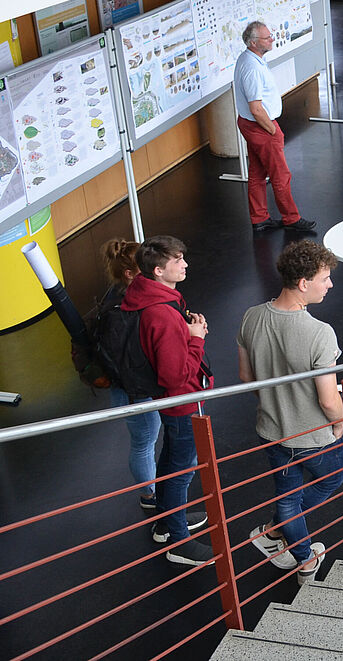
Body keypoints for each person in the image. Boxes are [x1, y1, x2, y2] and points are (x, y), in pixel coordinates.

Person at [239, 240, 343, 586]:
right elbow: (329, 400)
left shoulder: (251, 316)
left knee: (288, 496)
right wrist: (340, 424)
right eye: (325, 278)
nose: (329, 284)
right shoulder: (320, 334)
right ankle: (277, 530)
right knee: (332, 478)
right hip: (312, 434)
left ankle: (302, 558)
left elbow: (246, 377)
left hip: (270, 430)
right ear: (303, 283)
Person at [121, 235, 211, 566]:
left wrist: (187, 336)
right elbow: (174, 377)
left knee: (171, 461)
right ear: (159, 270)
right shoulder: (161, 314)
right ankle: (178, 541)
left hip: (169, 402)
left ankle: (166, 520)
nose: (185, 264)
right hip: (182, 402)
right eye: (178, 260)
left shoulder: (146, 296)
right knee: (181, 471)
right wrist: (196, 340)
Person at [233, 21, 316, 233]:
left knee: (258, 172)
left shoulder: (249, 58)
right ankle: (291, 218)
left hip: (252, 125)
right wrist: (272, 130)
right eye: (266, 37)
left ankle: (259, 217)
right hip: (260, 126)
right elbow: (256, 108)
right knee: (280, 175)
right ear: (253, 42)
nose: (272, 39)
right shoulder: (252, 68)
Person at [99, 238, 161, 514]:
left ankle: (151, 491)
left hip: (125, 387)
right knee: (144, 440)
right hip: (133, 390)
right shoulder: (127, 308)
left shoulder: (112, 298)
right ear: (130, 273)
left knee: (144, 439)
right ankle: (150, 495)